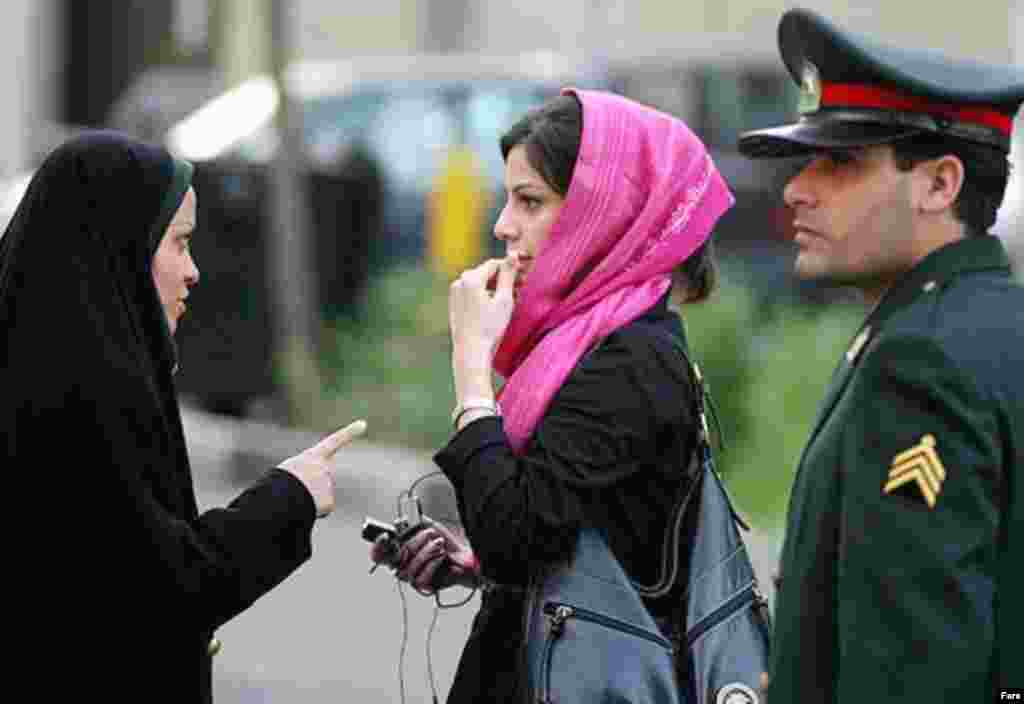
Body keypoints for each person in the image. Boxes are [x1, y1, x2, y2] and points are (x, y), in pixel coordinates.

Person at [370, 88, 735, 701]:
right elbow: (560, 533)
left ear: (606, 213)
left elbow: (515, 538)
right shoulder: (583, 345)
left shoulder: (631, 362)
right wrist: (477, 563)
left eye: (530, 201)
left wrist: (471, 369)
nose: (502, 225)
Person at [0, 131, 366, 702]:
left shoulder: (41, 358)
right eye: (179, 244)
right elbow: (165, 585)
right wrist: (289, 498)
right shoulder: (89, 389)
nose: (194, 270)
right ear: (122, 246)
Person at [737, 8, 1024, 702]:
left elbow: (910, 675)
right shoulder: (993, 323)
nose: (796, 188)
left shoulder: (918, 363)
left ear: (939, 185)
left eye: (839, 162)